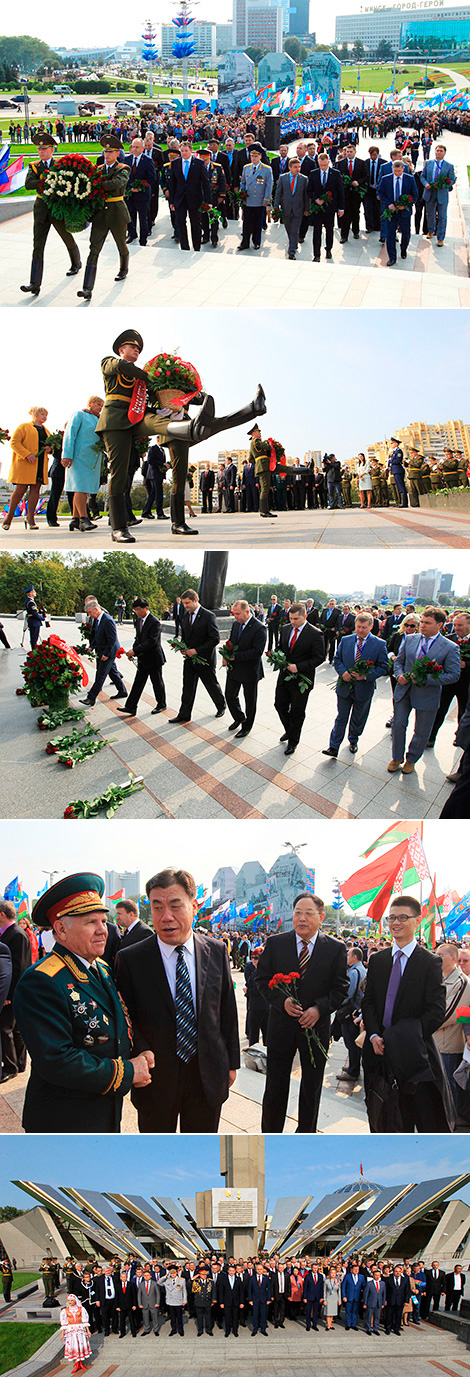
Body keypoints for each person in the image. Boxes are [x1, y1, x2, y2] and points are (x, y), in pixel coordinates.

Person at [13, 873, 153, 1132]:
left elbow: (119, 1022)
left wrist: (138, 1051)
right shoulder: (42, 981)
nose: (103, 929)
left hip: (104, 1111)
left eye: (103, 920)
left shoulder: (101, 968)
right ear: (61, 929)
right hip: (66, 1118)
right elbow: (57, 1060)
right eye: (91, 922)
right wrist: (128, 1072)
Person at [115, 867, 240, 1132]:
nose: (166, 917)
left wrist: (231, 1063)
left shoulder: (216, 950)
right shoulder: (130, 958)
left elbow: (227, 1010)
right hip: (155, 1077)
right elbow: (126, 1017)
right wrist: (139, 1052)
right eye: (157, 907)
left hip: (207, 1075)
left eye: (175, 905)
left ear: (194, 906)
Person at [256, 892, 348, 1133]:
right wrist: (281, 1001)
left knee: (312, 1086)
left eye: (308, 913)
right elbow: (262, 979)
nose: (302, 918)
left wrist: (320, 1009)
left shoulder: (336, 948)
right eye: (297, 913)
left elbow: (341, 989)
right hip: (280, 1027)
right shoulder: (277, 943)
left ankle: (306, 1133)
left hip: (315, 1030)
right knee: (275, 1085)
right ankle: (271, 1132)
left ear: (321, 917)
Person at [362, 895, 450, 1132]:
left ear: (417, 922)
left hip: (414, 1057)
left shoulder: (430, 962)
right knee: (385, 1124)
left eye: (402, 917)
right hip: (378, 1056)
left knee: (425, 1122)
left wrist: (398, 1039)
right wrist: (373, 1035)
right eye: (392, 918)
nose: (395, 923)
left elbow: (435, 1012)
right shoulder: (378, 960)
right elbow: (368, 1002)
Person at [389, 605, 460, 774]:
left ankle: (411, 759)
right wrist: (399, 675)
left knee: (421, 731)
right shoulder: (411, 639)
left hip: (427, 694)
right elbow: (399, 661)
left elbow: (453, 675)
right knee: (398, 725)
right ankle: (397, 757)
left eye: (427, 623)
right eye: (422, 622)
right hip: (404, 689)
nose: (423, 625)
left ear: (440, 625)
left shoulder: (450, 647)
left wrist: (426, 679)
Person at [20, 133, 81, 296]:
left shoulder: (60, 165)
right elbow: (28, 184)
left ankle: (76, 262)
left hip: (57, 207)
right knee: (38, 246)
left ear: (51, 149)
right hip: (41, 209)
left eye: (44, 148)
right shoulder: (34, 166)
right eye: (39, 148)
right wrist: (47, 179)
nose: (40, 151)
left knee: (66, 237)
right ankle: (34, 283)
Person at [323, 611, 389, 758]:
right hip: (345, 686)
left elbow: (384, 666)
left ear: (371, 627)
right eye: (358, 627)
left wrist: (366, 676)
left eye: (364, 627)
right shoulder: (346, 640)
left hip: (364, 688)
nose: (361, 630)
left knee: (358, 717)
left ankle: (353, 739)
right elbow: (337, 659)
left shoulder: (379, 644)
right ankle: (333, 746)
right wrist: (343, 673)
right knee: (341, 717)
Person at [77, 135, 130, 300]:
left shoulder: (123, 168)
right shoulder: (98, 169)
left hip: (117, 212)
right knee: (94, 249)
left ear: (117, 153)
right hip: (100, 214)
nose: (106, 154)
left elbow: (116, 184)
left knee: (121, 245)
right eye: (105, 151)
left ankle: (124, 268)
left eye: (110, 152)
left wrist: (97, 184)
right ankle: (87, 288)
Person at [274, 602, 325, 756]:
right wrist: (277, 656)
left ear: (305, 616)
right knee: (279, 705)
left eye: (296, 619)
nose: (293, 622)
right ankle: (290, 730)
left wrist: (299, 666)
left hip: (302, 679)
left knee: (297, 711)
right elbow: (280, 647)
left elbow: (319, 657)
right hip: (284, 676)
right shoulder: (285, 629)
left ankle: (293, 741)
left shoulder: (315, 634)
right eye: (290, 618)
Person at [169, 589, 226, 725]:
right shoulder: (185, 614)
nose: (185, 606)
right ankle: (184, 715)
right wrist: (182, 647)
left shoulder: (208, 615)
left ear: (196, 600)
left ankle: (221, 705)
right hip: (189, 660)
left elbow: (214, 639)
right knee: (187, 687)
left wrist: (197, 651)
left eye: (188, 603)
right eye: (184, 603)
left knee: (211, 685)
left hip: (205, 659)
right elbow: (186, 635)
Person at [222, 599, 267, 739]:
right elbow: (231, 642)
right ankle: (240, 717)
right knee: (229, 695)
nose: (235, 616)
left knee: (250, 701)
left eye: (237, 614)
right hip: (234, 669)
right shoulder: (236, 625)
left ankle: (247, 726)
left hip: (250, 671)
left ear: (247, 612)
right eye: (233, 613)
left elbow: (257, 652)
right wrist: (226, 654)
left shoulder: (259, 628)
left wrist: (235, 657)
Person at [434, 942, 470, 1110]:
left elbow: (454, 1015)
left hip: (447, 1043)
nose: (436, 957)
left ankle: (450, 1123)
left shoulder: (462, 982)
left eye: (441, 955)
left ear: (452, 959)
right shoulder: (438, 977)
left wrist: (424, 1025)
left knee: (448, 1086)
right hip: (434, 1040)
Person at [116, 596, 166, 718]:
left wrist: (135, 650)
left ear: (146, 608)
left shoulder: (155, 622)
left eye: (138, 610)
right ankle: (131, 707)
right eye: (135, 610)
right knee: (138, 682)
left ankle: (161, 704)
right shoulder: (138, 621)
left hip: (154, 658)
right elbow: (138, 638)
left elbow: (151, 641)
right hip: (143, 658)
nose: (137, 612)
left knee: (157, 683)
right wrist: (133, 652)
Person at [3, 407, 51, 532]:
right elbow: (14, 442)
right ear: (35, 415)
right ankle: (9, 516)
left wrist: (49, 449)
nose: (45, 417)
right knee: (20, 490)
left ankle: (30, 518)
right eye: (42, 414)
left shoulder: (46, 431)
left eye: (46, 415)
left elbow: (51, 446)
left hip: (40, 464)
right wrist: (27, 454)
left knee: (36, 490)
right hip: (26, 464)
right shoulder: (23, 427)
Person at [427, 610, 470, 749]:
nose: (457, 628)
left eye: (460, 625)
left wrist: (466, 664)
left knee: (464, 711)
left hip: (466, 683)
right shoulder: (448, 640)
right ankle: (431, 737)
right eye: (455, 625)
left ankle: (461, 736)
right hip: (447, 681)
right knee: (440, 709)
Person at [0, 899, 31, 1084]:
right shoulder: (13, 933)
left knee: (6, 1029)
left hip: (12, 992)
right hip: (14, 992)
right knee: (15, 1029)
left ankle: (11, 1067)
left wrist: (9, 995)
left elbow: (18, 968)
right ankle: (18, 1064)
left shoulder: (16, 935)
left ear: (2, 915)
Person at [62, 397, 104, 533]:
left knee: (83, 489)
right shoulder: (79, 415)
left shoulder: (99, 419)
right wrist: (67, 454)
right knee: (79, 487)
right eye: (98, 404)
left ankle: (75, 519)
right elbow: (70, 434)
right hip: (78, 457)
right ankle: (84, 518)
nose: (100, 407)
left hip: (93, 459)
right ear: (90, 403)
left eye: (102, 405)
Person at [80, 597, 127, 708]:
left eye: (90, 612)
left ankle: (91, 698)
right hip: (102, 649)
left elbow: (112, 640)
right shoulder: (98, 620)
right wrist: (92, 647)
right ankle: (122, 691)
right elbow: (98, 636)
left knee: (101, 675)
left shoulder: (108, 620)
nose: (89, 615)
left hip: (109, 651)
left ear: (96, 609)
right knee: (113, 672)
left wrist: (106, 654)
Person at [169, 139, 211, 252]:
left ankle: (196, 246)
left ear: (191, 151)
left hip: (195, 199)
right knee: (180, 222)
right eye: (182, 151)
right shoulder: (175, 163)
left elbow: (205, 183)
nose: (184, 153)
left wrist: (208, 201)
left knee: (196, 223)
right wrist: (171, 202)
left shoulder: (199, 163)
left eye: (186, 151)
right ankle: (184, 246)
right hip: (180, 198)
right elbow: (172, 184)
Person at [378, 158, 417, 266]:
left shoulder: (410, 179)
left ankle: (403, 249)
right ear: (392, 169)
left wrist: (405, 205)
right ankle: (392, 257)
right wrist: (388, 204)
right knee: (390, 234)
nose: (397, 173)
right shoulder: (386, 179)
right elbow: (380, 192)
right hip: (391, 212)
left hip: (404, 212)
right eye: (395, 171)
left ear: (403, 169)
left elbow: (415, 195)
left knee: (406, 233)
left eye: (399, 171)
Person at [308, 151, 345, 261]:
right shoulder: (313, 173)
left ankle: (328, 249)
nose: (323, 167)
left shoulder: (336, 173)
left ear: (329, 162)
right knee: (317, 231)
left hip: (330, 207)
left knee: (329, 229)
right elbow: (309, 190)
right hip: (317, 208)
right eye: (321, 165)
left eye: (325, 165)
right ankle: (316, 254)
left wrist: (341, 208)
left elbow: (340, 191)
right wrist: (316, 199)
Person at [238, 145, 273, 252]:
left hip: (259, 200)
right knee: (246, 222)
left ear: (260, 156)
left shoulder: (267, 169)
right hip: (248, 200)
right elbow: (243, 182)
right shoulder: (246, 168)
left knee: (257, 222)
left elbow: (269, 185)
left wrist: (266, 199)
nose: (253, 158)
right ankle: (245, 242)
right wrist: (242, 193)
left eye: (256, 156)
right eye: (252, 156)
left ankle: (256, 242)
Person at [274, 155, 309, 261]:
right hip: (286, 209)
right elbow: (278, 193)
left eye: (299, 167)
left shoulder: (304, 179)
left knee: (294, 230)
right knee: (289, 229)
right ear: (290, 168)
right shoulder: (283, 178)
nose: (298, 169)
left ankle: (291, 251)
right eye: (295, 167)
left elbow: (306, 196)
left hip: (298, 209)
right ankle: (293, 243)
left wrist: (307, 209)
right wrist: (276, 207)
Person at [421, 143, 456, 246]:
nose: (439, 152)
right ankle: (431, 231)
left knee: (442, 216)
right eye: (437, 150)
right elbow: (423, 176)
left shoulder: (449, 166)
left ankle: (440, 237)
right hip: (430, 192)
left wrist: (443, 185)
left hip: (442, 193)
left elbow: (452, 179)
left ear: (444, 153)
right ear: (434, 152)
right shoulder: (428, 163)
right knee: (430, 214)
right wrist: (426, 184)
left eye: (441, 151)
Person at [124, 137, 156, 247]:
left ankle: (143, 239)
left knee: (143, 218)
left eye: (137, 147)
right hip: (130, 194)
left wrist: (141, 187)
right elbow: (124, 176)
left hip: (142, 195)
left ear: (142, 148)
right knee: (130, 216)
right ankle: (132, 234)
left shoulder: (148, 160)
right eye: (133, 147)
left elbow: (152, 178)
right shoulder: (127, 160)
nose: (135, 149)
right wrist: (126, 188)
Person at [337, 142, 368, 242]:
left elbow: (366, 176)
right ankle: (344, 235)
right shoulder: (340, 163)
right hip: (345, 193)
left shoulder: (361, 163)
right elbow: (337, 178)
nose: (349, 153)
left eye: (351, 151)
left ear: (355, 152)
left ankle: (356, 232)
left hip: (356, 193)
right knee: (345, 214)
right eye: (347, 151)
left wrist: (358, 182)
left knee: (355, 212)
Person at [60, 1293, 91, 1373]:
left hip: (80, 1328)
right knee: (73, 1344)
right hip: (71, 1330)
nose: (70, 1302)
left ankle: (79, 1362)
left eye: (71, 1300)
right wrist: (62, 1334)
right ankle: (77, 1362)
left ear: (75, 1301)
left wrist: (88, 1330)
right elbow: (64, 1322)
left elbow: (85, 1320)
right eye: (68, 1301)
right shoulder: (65, 1310)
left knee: (80, 1344)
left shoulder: (81, 1309)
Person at [244, 946, 269, 1046]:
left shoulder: (265, 971)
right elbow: (248, 981)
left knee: (265, 1034)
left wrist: (248, 992)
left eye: (257, 958)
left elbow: (261, 989)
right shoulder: (252, 968)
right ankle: (254, 1056)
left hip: (263, 1005)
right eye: (252, 957)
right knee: (253, 1034)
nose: (254, 960)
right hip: (254, 1005)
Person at [217, 1263, 244, 1336]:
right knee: (227, 1317)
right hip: (226, 1302)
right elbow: (221, 1292)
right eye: (230, 1270)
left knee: (235, 1317)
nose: (231, 1272)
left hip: (236, 1302)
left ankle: (235, 1331)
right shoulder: (223, 1279)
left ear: (235, 1271)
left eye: (233, 1270)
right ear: (228, 1271)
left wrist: (242, 1302)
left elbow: (241, 1292)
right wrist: (221, 1302)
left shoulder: (238, 1279)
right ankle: (227, 1331)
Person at [385, 1267, 411, 1334]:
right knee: (389, 1315)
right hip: (390, 1300)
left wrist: (406, 1301)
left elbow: (407, 1291)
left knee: (398, 1316)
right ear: (393, 1272)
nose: (398, 1273)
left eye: (399, 1271)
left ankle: (396, 1329)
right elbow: (385, 1290)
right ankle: (388, 1328)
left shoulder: (405, 1280)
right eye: (396, 1271)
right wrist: (385, 1300)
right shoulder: (388, 1279)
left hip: (400, 1301)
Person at [249, 1264, 271, 1336]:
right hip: (255, 1300)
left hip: (264, 1300)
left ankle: (263, 1329)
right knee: (255, 1315)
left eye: (261, 1269)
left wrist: (268, 1299)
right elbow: (249, 1290)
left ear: (263, 1270)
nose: (259, 1270)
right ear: (256, 1270)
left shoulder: (266, 1278)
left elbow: (269, 1289)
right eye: (258, 1269)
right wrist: (250, 1300)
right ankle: (255, 1329)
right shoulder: (252, 1278)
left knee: (263, 1315)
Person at [114, 1270, 138, 1338]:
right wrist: (117, 1306)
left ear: (127, 1277)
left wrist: (134, 1305)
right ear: (120, 1277)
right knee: (122, 1320)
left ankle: (133, 1332)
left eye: (125, 1277)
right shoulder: (117, 1285)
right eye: (122, 1277)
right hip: (121, 1306)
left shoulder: (131, 1284)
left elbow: (134, 1295)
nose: (123, 1278)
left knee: (132, 1320)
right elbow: (116, 1296)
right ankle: (122, 1333)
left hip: (130, 1305)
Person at [342, 1263, 365, 1330]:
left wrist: (363, 1297)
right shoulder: (347, 1276)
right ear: (351, 1270)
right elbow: (343, 1287)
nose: (356, 1270)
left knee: (355, 1311)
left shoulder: (361, 1277)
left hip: (357, 1297)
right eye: (354, 1269)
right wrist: (344, 1296)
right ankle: (348, 1324)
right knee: (348, 1310)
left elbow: (364, 1287)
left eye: (357, 1269)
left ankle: (353, 1324)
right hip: (349, 1296)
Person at [364, 1268, 387, 1335]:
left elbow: (384, 1294)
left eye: (378, 1275)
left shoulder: (382, 1283)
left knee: (377, 1317)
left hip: (379, 1303)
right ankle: (368, 1328)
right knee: (369, 1316)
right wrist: (365, 1303)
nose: (377, 1276)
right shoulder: (369, 1284)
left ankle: (375, 1328)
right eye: (376, 1275)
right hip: (370, 1302)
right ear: (373, 1275)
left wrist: (383, 1302)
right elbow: (366, 1294)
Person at [137, 1267, 160, 1336]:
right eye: (145, 1275)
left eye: (147, 1275)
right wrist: (140, 1303)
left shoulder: (154, 1283)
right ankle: (146, 1330)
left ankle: (156, 1330)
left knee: (155, 1318)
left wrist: (157, 1303)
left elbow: (158, 1294)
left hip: (153, 1304)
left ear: (150, 1276)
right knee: (145, 1318)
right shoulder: (141, 1284)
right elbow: (139, 1295)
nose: (146, 1277)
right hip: (144, 1304)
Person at [165, 1267, 187, 1336]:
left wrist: (185, 1300)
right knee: (172, 1317)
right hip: (171, 1301)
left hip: (178, 1301)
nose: (173, 1275)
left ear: (176, 1273)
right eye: (171, 1273)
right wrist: (165, 1277)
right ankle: (173, 1329)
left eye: (174, 1273)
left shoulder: (181, 1280)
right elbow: (159, 1282)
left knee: (179, 1317)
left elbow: (184, 1291)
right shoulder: (167, 1280)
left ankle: (180, 1329)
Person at [23, 584, 46, 649]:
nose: (35, 593)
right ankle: (34, 651)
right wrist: (43, 619)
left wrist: (41, 611)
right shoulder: (30, 602)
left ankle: (34, 650)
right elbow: (35, 614)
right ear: (30, 593)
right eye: (34, 592)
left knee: (34, 637)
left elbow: (35, 611)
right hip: (34, 622)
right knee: (34, 638)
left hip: (34, 622)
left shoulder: (31, 601)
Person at [320, 599, 341, 663]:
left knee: (332, 645)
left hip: (332, 630)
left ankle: (331, 658)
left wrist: (335, 628)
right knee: (324, 644)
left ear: (335, 605)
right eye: (330, 604)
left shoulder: (338, 611)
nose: (331, 605)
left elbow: (339, 621)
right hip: (325, 630)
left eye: (332, 604)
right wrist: (321, 626)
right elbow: (320, 619)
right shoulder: (325, 610)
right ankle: (323, 656)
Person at [303, 1264, 323, 1331]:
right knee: (308, 1311)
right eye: (314, 1268)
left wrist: (321, 1296)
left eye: (316, 1268)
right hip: (309, 1296)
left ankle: (315, 1325)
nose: (315, 1269)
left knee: (315, 1311)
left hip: (317, 1296)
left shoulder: (320, 1276)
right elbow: (305, 1287)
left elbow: (321, 1287)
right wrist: (304, 1297)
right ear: (311, 1268)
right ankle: (308, 1325)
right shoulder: (308, 1276)